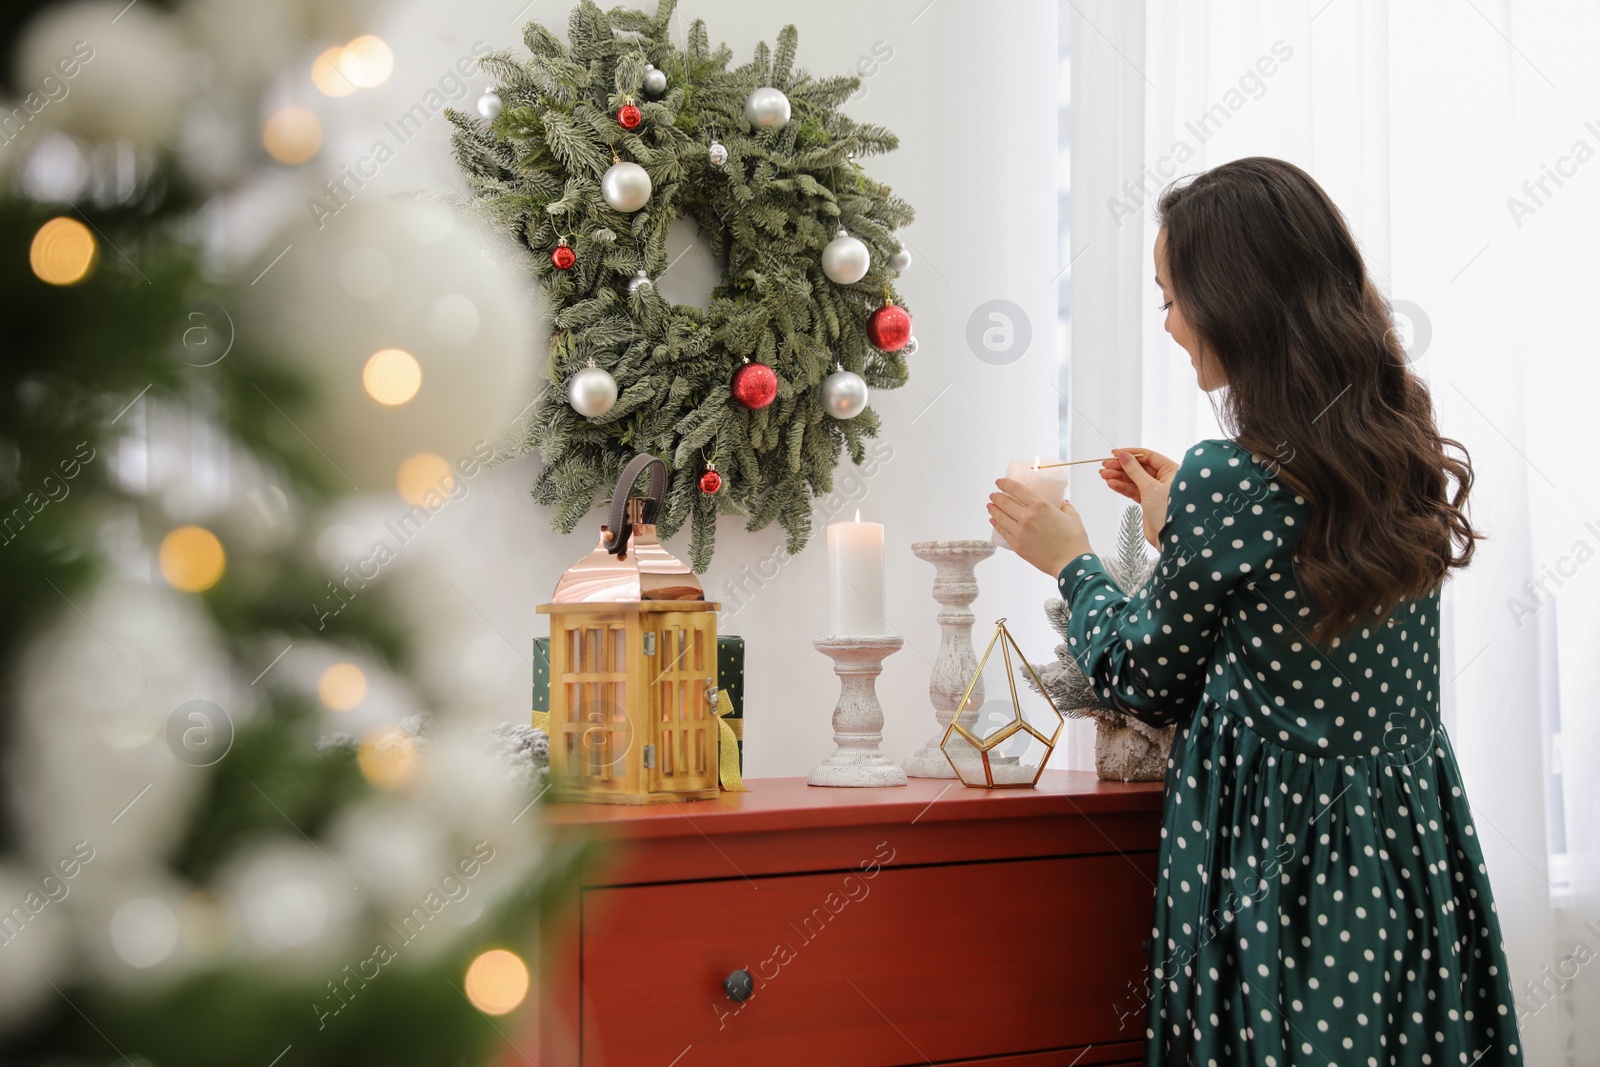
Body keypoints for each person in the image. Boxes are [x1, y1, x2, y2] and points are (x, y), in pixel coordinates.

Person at [988, 157, 1524, 1066]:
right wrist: (1180, 527)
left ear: (1230, 300)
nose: (1167, 323)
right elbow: (1293, 602)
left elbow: (1141, 678)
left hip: (1286, 881)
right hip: (1407, 857)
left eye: (1170, 297)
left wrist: (1071, 559)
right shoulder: (1395, 453)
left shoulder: (1232, 479)